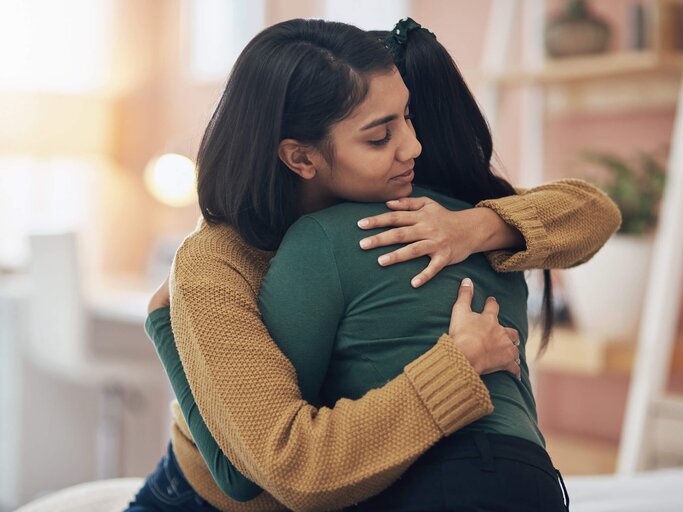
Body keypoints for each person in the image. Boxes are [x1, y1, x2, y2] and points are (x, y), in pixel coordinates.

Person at [128, 18, 619, 512]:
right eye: (380, 137)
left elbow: (593, 213)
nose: (413, 147)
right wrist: (457, 365)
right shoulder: (215, 264)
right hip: (205, 499)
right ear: (302, 158)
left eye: (407, 117)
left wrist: (475, 227)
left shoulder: (410, 210)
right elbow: (273, 471)